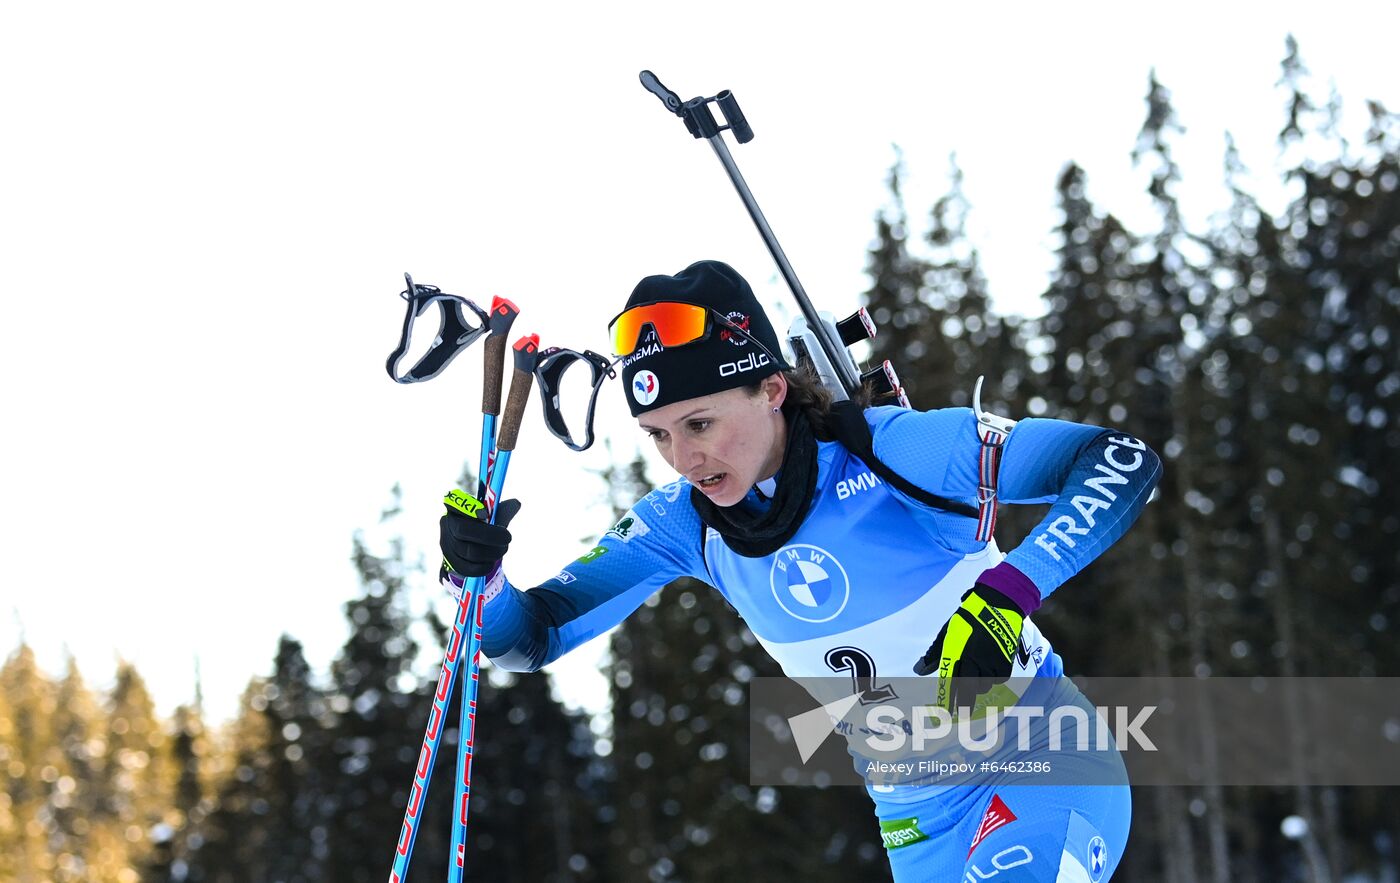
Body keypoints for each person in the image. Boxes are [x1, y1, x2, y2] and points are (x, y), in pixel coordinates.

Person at [439, 260, 1160, 881]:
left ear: (772, 389)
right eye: (658, 435)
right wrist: (484, 580)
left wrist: (1006, 594)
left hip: (1041, 763)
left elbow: (1121, 460)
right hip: (916, 825)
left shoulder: (896, 452)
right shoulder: (686, 522)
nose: (684, 458)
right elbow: (527, 639)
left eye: (700, 422)